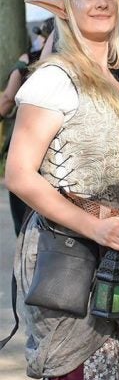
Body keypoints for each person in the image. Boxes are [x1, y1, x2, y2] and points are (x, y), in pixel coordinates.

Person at [6, 0, 119, 380]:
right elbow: (19, 173)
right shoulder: (54, 78)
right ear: (66, 7)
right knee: (74, 371)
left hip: (116, 255)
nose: (100, 3)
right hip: (66, 255)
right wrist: (92, 225)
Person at [2, 17, 54, 235]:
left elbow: (7, 98)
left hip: (29, 146)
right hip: (53, 157)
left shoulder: (29, 63)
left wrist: (20, 65)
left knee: (24, 227)